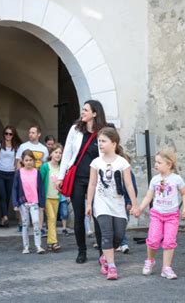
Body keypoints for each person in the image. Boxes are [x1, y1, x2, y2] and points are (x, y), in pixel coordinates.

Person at [57, 100, 108, 264]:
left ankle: (102, 252)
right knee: (79, 216)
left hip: (97, 179)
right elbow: (67, 154)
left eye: (86, 110)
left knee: (98, 215)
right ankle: (82, 251)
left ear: (95, 113)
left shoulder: (104, 132)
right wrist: (60, 176)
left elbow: (110, 153)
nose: (82, 112)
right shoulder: (75, 129)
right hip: (77, 178)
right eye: (83, 109)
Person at [86, 127, 138, 280]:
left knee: (119, 235)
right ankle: (112, 266)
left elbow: (129, 185)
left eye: (103, 141)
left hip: (118, 203)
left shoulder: (122, 162)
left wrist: (134, 204)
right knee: (107, 234)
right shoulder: (96, 162)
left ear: (113, 143)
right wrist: (89, 204)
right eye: (99, 141)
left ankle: (105, 257)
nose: (100, 144)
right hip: (101, 203)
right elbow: (92, 184)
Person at [135, 148, 185, 279]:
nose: (155, 165)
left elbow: (184, 193)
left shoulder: (176, 179)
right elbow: (149, 196)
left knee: (169, 241)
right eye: (155, 162)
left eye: (159, 162)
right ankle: (150, 261)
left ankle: (166, 268)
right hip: (157, 215)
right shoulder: (154, 180)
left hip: (172, 216)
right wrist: (140, 208)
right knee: (153, 240)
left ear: (169, 164)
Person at [16, 125, 49, 236]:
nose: (30, 134)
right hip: (25, 178)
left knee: (39, 202)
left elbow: (45, 165)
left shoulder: (44, 149)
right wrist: (18, 176)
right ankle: (22, 224)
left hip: (38, 178)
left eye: (33, 132)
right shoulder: (23, 146)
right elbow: (18, 162)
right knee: (23, 201)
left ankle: (39, 227)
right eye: (29, 132)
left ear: (39, 134)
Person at [12, 150, 46, 254]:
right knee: (25, 224)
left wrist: (42, 204)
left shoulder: (37, 172)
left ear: (34, 161)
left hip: (34, 201)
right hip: (23, 202)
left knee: (36, 222)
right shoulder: (19, 173)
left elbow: (41, 189)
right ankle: (25, 247)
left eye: (31, 160)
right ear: (22, 161)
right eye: (26, 160)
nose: (29, 162)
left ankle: (38, 245)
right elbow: (15, 188)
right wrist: (15, 203)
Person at [0, 125, 17, 228]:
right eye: (6, 133)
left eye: (10, 134)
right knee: (2, 195)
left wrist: (16, 174)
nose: (8, 135)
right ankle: (5, 216)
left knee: (8, 196)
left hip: (11, 173)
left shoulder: (16, 146)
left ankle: (2, 219)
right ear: (4, 134)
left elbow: (16, 161)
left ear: (13, 135)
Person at [40, 143, 64, 252]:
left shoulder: (61, 168)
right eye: (56, 152)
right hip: (47, 197)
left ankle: (50, 242)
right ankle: (54, 242)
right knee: (52, 218)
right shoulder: (45, 166)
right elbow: (39, 182)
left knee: (52, 220)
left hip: (56, 197)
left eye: (60, 153)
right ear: (51, 153)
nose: (58, 155)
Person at [116, 153, 138, 254]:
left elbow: (133, 188)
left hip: (125, 203)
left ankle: (122, 243)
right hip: (116, 203)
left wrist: (130, 202)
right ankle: (120, 243)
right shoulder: (116, 173)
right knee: (117, 225)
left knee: (123, 224)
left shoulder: (129, 174)